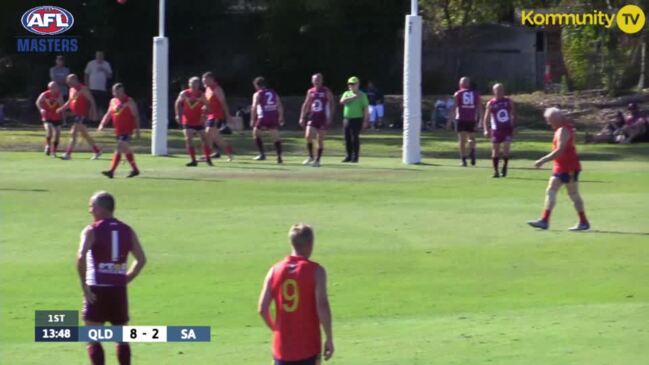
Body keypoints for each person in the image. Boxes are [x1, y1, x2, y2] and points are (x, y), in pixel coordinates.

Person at [77, 191, 146, 365]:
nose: (89, 210)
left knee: (92, 337)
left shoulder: (92, 230)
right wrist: (126, 278)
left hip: (96, 287)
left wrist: (85, 287)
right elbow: (141, 259)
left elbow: (81, 256)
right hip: (118, 289)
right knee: (121, 337)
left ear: (100, 208)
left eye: (91, 206)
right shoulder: (127, 230)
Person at [258, 224, 334, 365]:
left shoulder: (274, 270)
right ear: (310, 244)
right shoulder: (317, 271)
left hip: (282, 350)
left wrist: (275, 329)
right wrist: (329, 338)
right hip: (309, 348)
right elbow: (322, 306)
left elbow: (262, 309)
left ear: (291, 243)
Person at [528, 107, 590, 231]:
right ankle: (545, 220)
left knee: (572, 194)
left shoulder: (563, 130)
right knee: (553, 190)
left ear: (556, 119)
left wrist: (542, 160)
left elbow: (559, 151)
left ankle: (583, 222)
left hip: (568, 167)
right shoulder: (562, 129)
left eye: (550, 120)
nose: (548, 123)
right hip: (562, 167)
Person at [98, 83, 141, 179]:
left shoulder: (129, 101)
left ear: (123, 91)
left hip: (127, 129)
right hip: (119, 130)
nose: (117, 94)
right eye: (115, 92)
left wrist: (137, 130)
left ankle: (111, 171)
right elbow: (108, 114)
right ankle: (135, 170)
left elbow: (136, 115)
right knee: (126, 150)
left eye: (119, 91)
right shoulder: (113, 101)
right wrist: (102, 124)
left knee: (119, 147)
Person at [56, 74, 102, 160]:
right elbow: (69, 102)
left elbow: (91, 100)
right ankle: (97, 151)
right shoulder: (71, 89)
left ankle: (68, 154)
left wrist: (94, 112)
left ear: (75, 80)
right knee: (85, 135)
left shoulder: (83, 88)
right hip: (76, 114)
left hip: (82, 114)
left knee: (73, 133)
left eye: (69, 80)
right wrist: (61, 109)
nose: (67, 82)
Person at [175, 77, 213, 167]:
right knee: (188, 139)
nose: (195, 85)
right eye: (193, 83)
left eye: (196, 83)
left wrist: (205, 114)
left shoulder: (201, 94)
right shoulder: (184, 93)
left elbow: (208, 106)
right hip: (187, 120)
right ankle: (193, 160)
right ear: (189, 84)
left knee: (204, 139)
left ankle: (208, 158)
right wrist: (177, 115)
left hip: (198, 121)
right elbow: (177, 103)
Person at [299, 73, 334, 167]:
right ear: (312, 81)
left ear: (322, 80)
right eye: (315, 80)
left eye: (318, 79)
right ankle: (311, 156)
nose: (317, 81)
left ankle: (317, 160)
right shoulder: (310, 91)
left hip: (323, 117)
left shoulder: (326, 91)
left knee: (320, 139)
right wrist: (302, 116)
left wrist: (330, 116)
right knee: (308, 135)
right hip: (313, 116)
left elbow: (331, 103)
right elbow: (306, 104)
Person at [483, 83, 515, 178]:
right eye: (497, 90)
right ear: (494, 91)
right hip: (496, 129)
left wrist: (513, 126)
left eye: (501, 90)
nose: (499, 92)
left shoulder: (508, 101)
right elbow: (486, 117)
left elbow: (513, 114)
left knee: (506, 149)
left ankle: (504, 167)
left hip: (507, 128)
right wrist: (485, 129)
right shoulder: (491, 103)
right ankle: (495, 171)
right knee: (495, 150)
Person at [448, 76, 482, 167]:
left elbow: (455, 107)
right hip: (472, 118)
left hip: (461, 118)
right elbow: (479, 107)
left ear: (461, 84)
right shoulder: (475, 94)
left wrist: (450, 119)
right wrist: (480, 119)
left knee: (462, 140)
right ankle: (472, 150)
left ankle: (463, 160)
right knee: (471, 137)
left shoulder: (458, 94)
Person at [251, 76, 284, 163]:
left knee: (256, 133)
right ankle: (279, 156)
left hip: (263, 116)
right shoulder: (273, 92)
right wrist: (280, 116)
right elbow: (279, 105)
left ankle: (262, 154)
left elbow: (254, 107)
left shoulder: (258, 94)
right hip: (273, 115)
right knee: (275, 136)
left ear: (256, 85)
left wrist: (252, 119)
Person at [202, 72, 234, 161]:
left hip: (217, 115)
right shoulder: (207, 89)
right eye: (203, 80)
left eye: (205, 80)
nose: (203, 82)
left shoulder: (217, 89)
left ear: (211, 79)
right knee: (217, 138)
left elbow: (223, 103)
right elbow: (208, 102)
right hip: (210, 115)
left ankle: (207, 155)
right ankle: (230, 154)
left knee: (208, 133)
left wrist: (228, 115)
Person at [339, 76, 369, 163]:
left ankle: (355, 157)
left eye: (353, 84)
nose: (351, 86)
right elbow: (342, 101)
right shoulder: (346, 93)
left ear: (357, 85)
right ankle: (348, 156)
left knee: (354, 138)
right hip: (347, 118)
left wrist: (365, 120)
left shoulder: (362, 95)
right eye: (350, 84)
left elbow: (366, 108)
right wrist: (353, 97)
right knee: (347, 138)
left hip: (357, 119)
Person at [35, 82, 64, 157]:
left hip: (57, 117)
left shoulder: (59, 95)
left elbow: (62, 105)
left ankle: (54, 151)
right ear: (49, 88)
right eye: (52, 87)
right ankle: (47, 146)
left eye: (55, 87)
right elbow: (38, 102)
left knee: (57, 133)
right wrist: (41, 109)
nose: (54, 89)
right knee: (49, 130)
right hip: (47, 116)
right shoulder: (44, 94)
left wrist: (60, 102)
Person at [85, 51, 113, 115]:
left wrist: (104, 70)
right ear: (96, 56)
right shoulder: (91, 63)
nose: (99, 57)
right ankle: (92, 119)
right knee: (92, 104)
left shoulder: (106, 64)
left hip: (102, 88)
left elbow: (110, 76)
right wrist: (87, 85)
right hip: (92, 88)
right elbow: (86, 74)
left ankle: (100, 120)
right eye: (98, 55)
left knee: (102, 105)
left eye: (101, 55)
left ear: (103, 56)